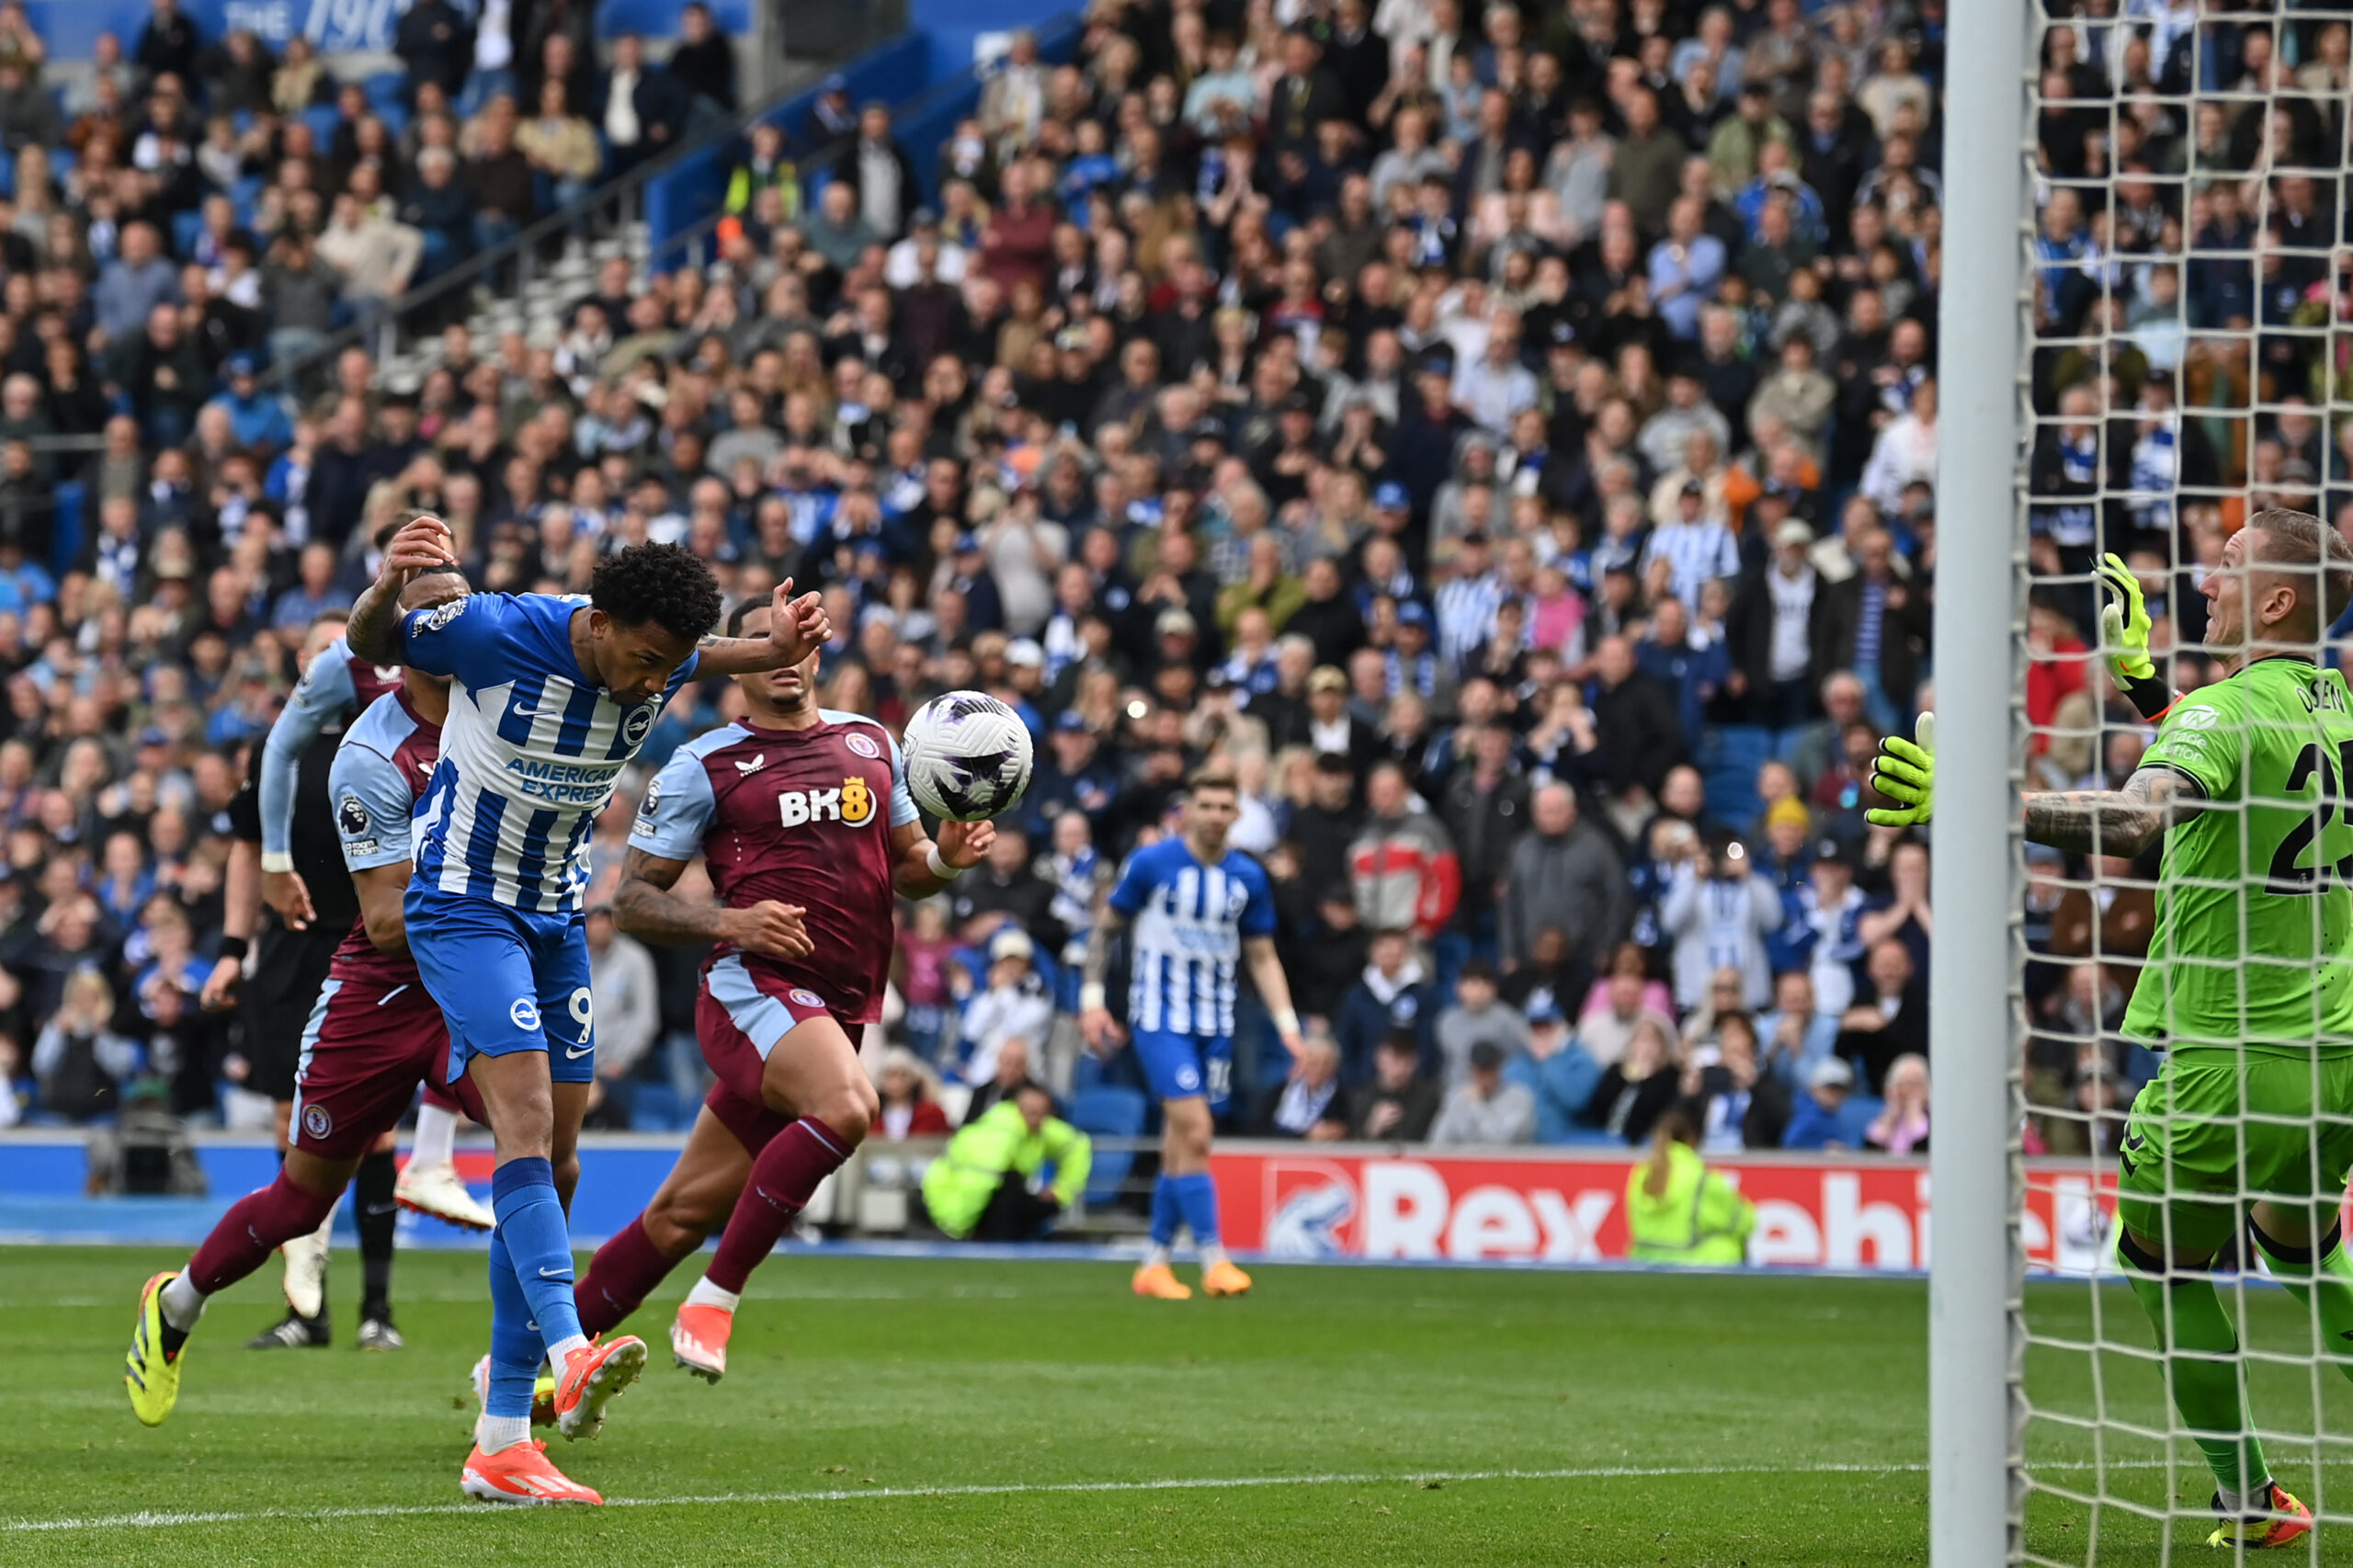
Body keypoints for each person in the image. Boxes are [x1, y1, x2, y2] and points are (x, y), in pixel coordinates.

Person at [1868, 507, 2353, 1549]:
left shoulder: (2220, 715)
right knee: (2295, 1240)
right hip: (2337, 1044)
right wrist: (2144, 688)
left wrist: (1979, 797)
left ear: (2275, 599)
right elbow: (2254, 764)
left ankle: (2250, 1496)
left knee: (2161, 1260)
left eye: (2227, 567)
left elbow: (2141, 818)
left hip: (2231, 1047)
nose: (2204, 581)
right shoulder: (2338, 705)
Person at [334, 517, 831, 1505]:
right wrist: (390, 587)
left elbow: (698, 652)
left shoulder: (661, 654)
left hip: (557, 916)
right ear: (597, 623)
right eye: (644, 662)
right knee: (517, 1122)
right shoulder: (497, 633)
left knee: (559, 1156)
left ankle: (500, 1440)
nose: (656, 685)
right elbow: (370, 642)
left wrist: (770, 648)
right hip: (462, 906)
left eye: (669, 667)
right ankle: (569, 1347)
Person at [570, 597, 989, 1383]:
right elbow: (629, 901)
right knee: (848, 1107)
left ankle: (520, 1361)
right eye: (767, 642)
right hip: (752, 989)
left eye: (799, 643)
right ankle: (716, 1299)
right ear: (739, 656)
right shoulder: (704, 764)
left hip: (836, 1006)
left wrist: (947, 862)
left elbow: (904, 868)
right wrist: (732, 923)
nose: (786, 656)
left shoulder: (871, 743)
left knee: (681, 1213)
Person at [126, 570, 494, 1426]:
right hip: (354, 957)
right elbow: (267, 801)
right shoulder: (359, 729)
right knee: (305, 1180)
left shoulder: (493, 690)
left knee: (540, 1136)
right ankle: (197, 1301)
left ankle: (534, 1361)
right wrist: (266, 887)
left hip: (458, 962)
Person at [257, 594, 492, 1233]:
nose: (440, 607)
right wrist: (275, 862)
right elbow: (278, 750)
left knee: (484, 1014)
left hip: (439, 856)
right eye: (418, 583)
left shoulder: (491, 650)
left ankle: (435, 1163)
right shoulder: (349, 668)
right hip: (371, 869)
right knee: (324, 1137)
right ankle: (304, 1261)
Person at [1081, 769, 1305, 1301]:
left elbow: (1262, 955)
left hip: (1216, 1023)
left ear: (1236, 815)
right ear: (1188, 811)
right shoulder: (1153, 864)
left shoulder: (1247, 877)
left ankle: (1154, 1264)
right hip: (1159, 1018)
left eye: (1224, 807)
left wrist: (1288, 1025)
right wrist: (1091, 1002)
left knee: (1180, 1141)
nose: (1214, 816)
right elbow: (1105, 929)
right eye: (1204, 805)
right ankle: (1214, 1258)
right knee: (1199, 1132)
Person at [918, 1080, 1091, 1240]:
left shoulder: (1038, 1127)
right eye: (1032, 1113)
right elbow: (977, 1185)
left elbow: (1076, 1144)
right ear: (1018, 1109)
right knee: (1011, 1190)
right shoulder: (1000, 1136)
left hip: (984, 1198)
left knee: (1027, 1196)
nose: (1038, 1119)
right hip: (951, 1196)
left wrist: (1062, 1190)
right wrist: (961, 1228)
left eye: (1043, 1113)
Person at [1623, 1104, 1756, 1265]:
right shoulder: (1702, 1179)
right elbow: (1745, 1222)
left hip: (1643, 1260)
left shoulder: (1640, 1174)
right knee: (1729, 1244)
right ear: (1693, 1139)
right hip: (1693, 1263)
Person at [1428, 1040, 1536, 1145]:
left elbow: (1501, 1141)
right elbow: (1438, 1141)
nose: (1485, 1076)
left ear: (1499, 1068)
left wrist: (1477, 1105)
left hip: (1508, 1161)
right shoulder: (1458, 1097)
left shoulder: (1519, 1097)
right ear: (1472, 1069)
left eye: (1490, 1069)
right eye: (1480, 1070)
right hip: (1467, 1160)